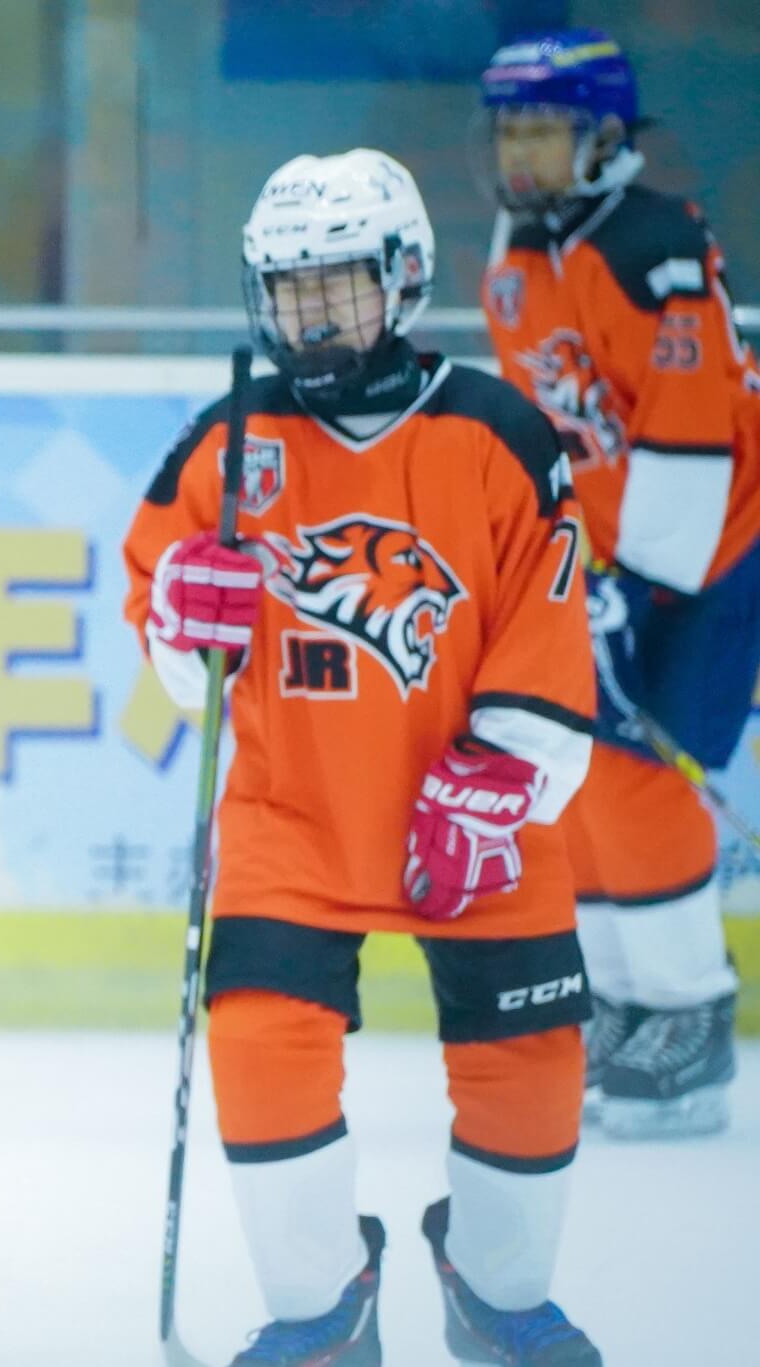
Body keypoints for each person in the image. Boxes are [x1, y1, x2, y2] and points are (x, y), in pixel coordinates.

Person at [125, 150, 602, 1365]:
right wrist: (187, 620)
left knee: (527, 1057)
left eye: (332, 286)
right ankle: (319, 1302)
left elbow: (549, 615)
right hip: (295, 816)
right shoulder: (226, 442)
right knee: (256, 1041)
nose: (306, 315)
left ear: (400, 279)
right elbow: (164, 631)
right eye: (284, 291)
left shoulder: (499, 430)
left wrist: (504, 763)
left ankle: (491, 1287)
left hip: (478, 813)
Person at [476, 26, 751, 1140]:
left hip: (714, 556)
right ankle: (622, 1002)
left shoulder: (652, 247)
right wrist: (555, 558)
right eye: (505, 129)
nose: (517, 152)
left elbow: (692, 436)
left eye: (538, 128)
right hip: (600, 564)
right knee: (573, 773)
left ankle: (688, 1016)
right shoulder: (513, 252)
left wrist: (633, 583)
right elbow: (547, 431)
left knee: (636, 775)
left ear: (598, 135)